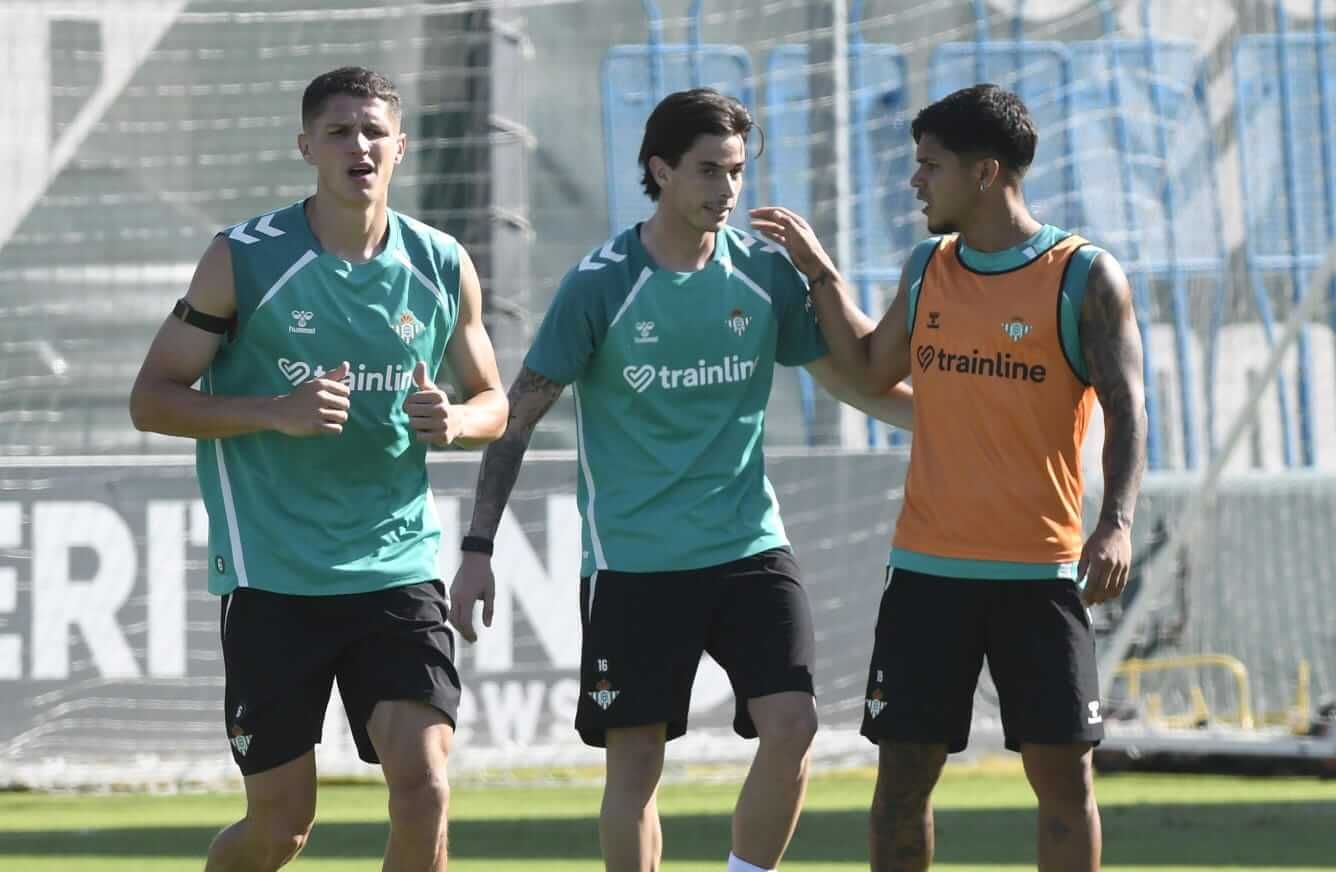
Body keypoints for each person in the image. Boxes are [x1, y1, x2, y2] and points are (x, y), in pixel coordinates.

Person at [449, 88, 911, 872]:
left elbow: (854, 380)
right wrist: (478, 545)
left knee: (793, 725)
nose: (726, 190)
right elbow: (520, 416)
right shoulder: (600, 284)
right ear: (660, 170)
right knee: (635, 768)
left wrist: (963, 424)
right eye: (708, 171)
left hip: (748, 545)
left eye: (736, 172)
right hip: (636, 561)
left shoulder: (765, 270)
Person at [751, 83, 1148, 872]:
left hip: (1038, 572)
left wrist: (1118, 523)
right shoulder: (929, 267)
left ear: (985, 172)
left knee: (1063, 780)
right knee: (901, 780)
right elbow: (870, 368)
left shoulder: (1085, 276)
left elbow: (1127, 408)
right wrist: (820, 273)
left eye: (929, 165)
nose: (914, 182)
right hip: (927, 572)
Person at [129, 66, 508, 872]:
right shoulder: (245, 258)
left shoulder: (442, 263)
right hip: (274, 576)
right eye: (338, 132)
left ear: (400, 147)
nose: (358, 146)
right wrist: (274, 411)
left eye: (374, 131)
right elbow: (153, 399)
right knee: (282, 829)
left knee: (426, 788)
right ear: (307, 147)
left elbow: (493, 403)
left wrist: (457, 421)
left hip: (395, 569)